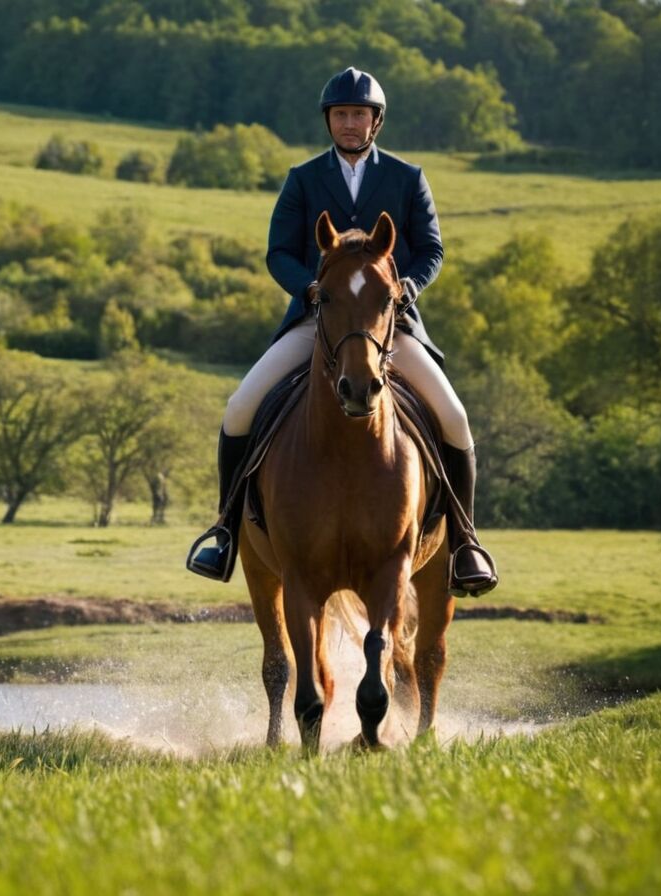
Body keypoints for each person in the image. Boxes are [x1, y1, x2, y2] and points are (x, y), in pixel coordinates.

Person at [186, 65, 498, 597]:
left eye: (359, 114)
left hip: (387, 327)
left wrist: (407, 289)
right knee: (240, 407)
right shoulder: (303, 179)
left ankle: (465, 541)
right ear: (329, 121)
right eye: (341, 114)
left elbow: (431, 250)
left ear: (376, 122)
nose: (349, 123)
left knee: (454, 416)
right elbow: (278, 251)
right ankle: (224, 531)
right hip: (318, 323)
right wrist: (309, 289)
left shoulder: (407, 177)